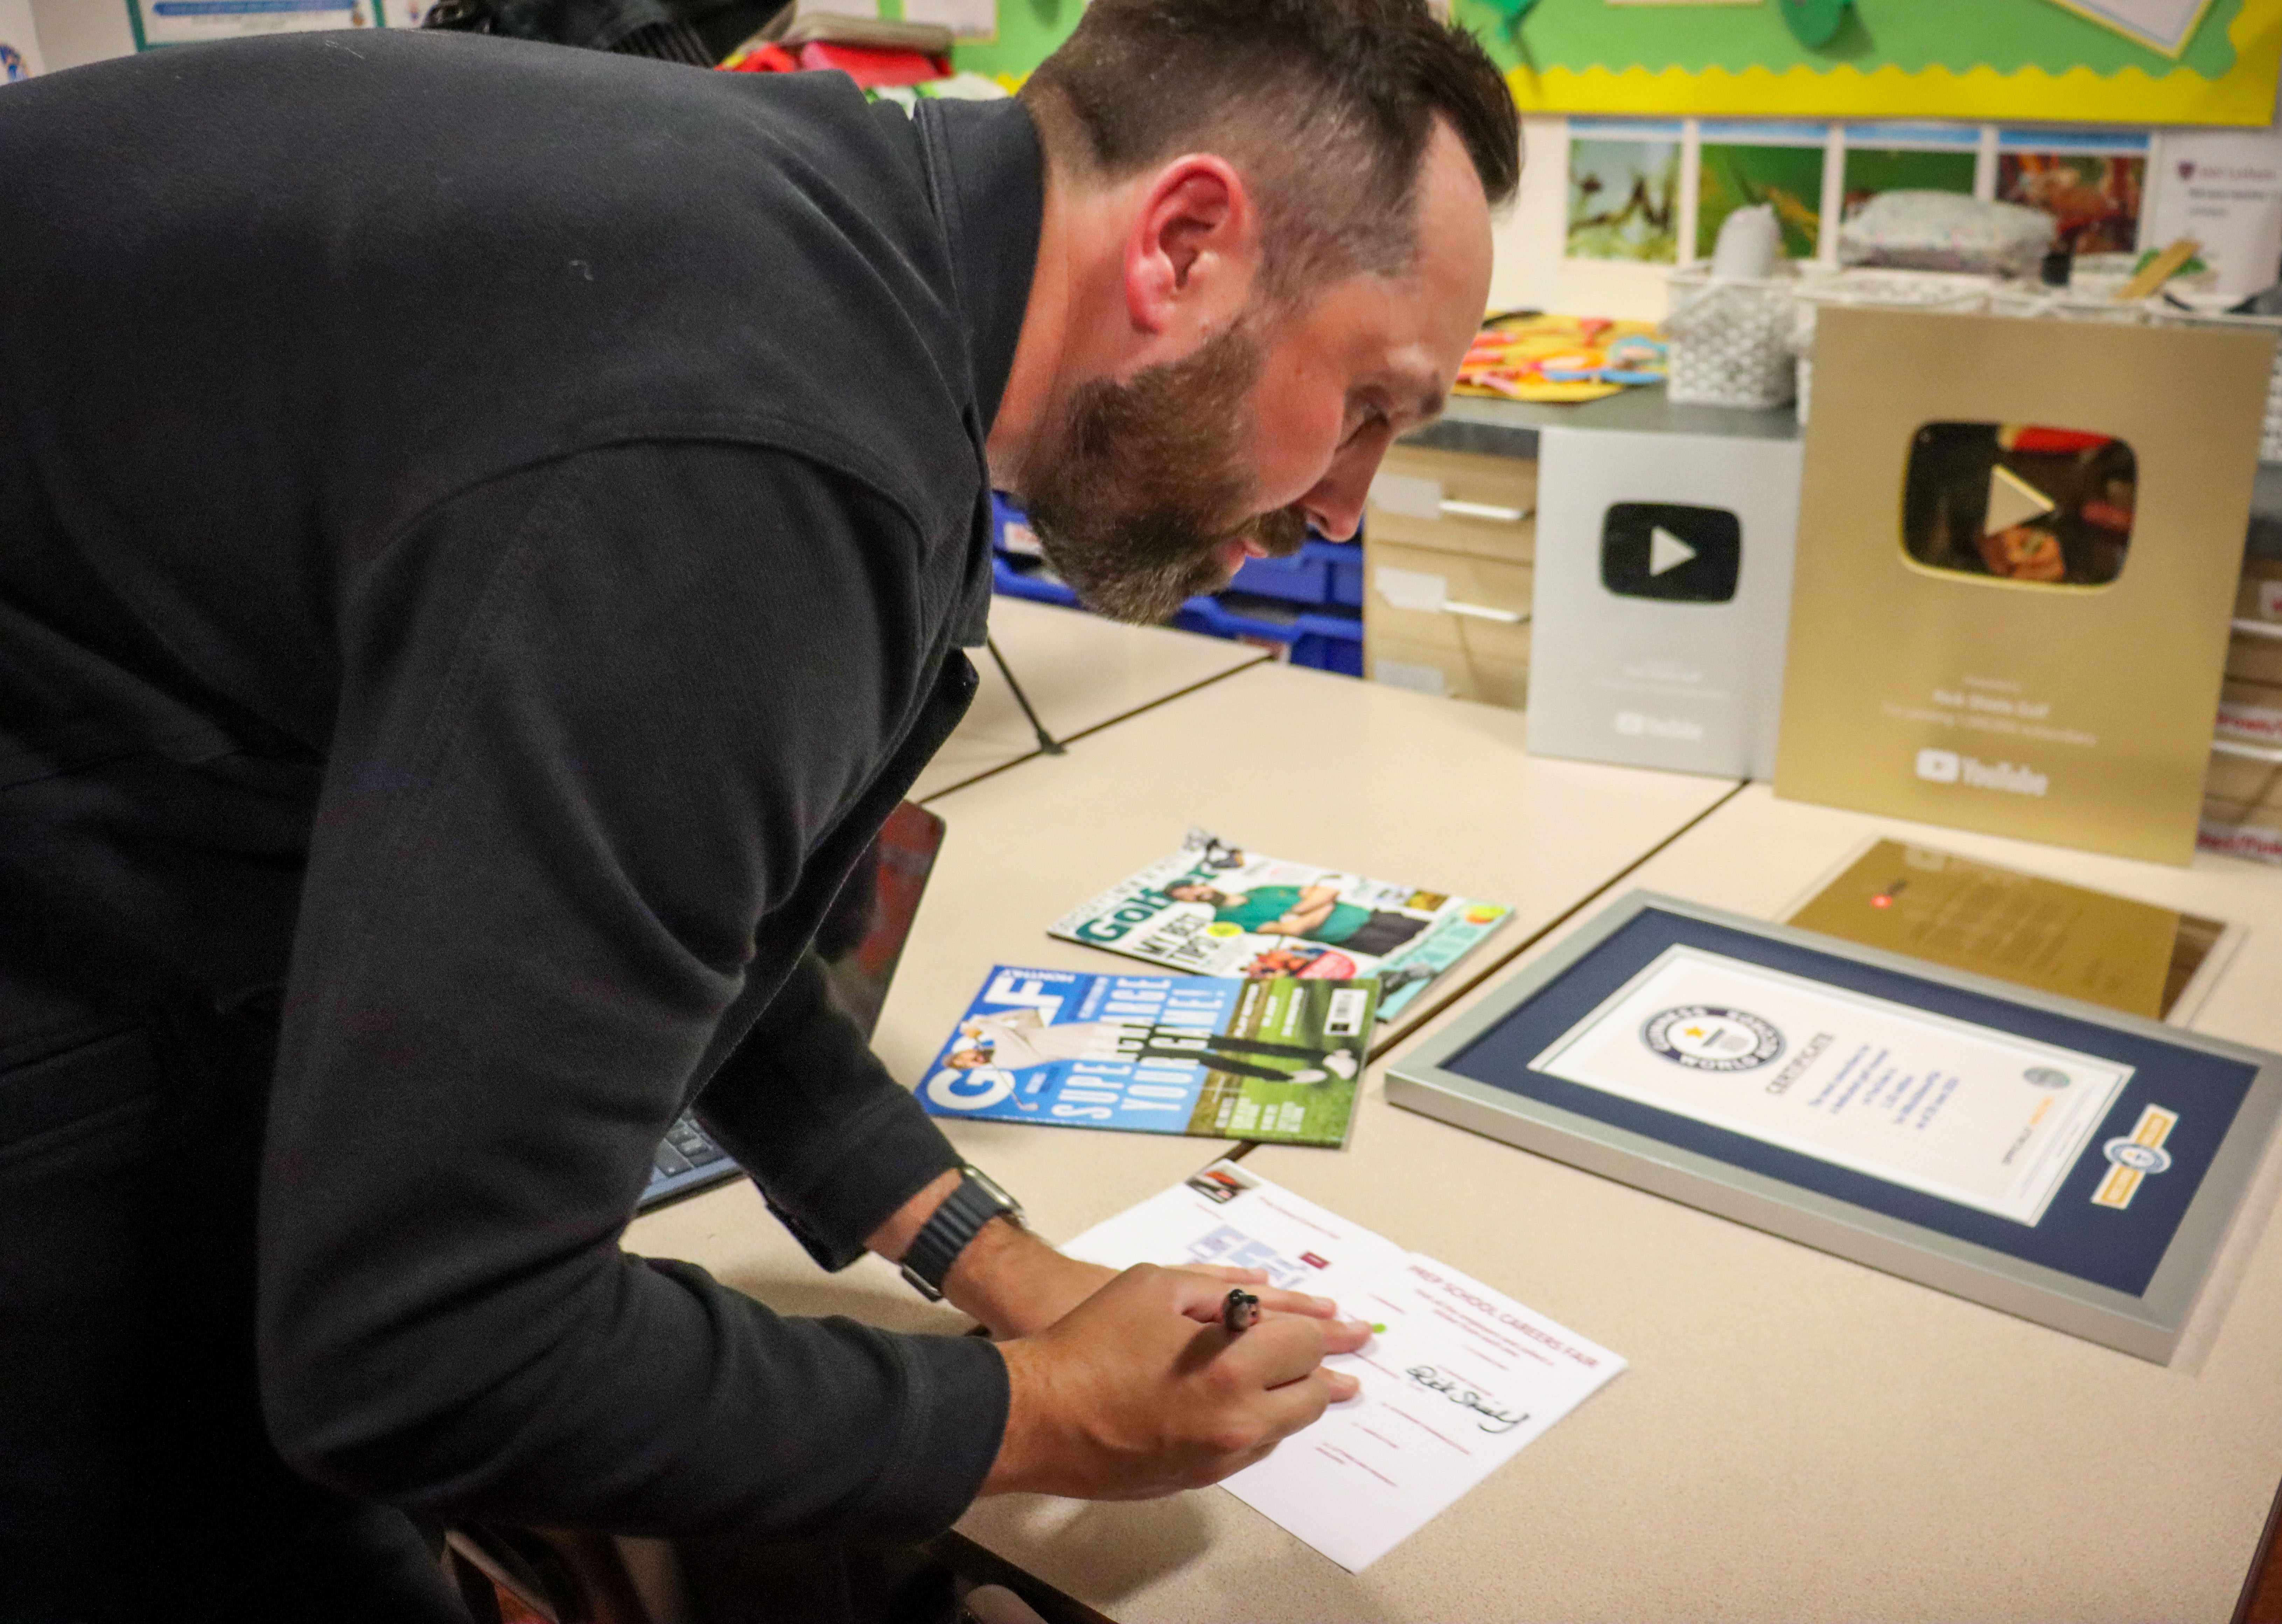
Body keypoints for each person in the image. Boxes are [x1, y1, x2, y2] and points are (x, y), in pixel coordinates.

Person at [0, 0, 1512, 1615]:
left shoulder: (845, 269)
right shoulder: (751, 440)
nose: (1345, 508)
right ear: (1184, 244)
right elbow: (434, 1348)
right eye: (1368, 400)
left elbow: (650, 888)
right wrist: (1044, 1412)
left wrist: (997, 1261)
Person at [946, 1007, 1359, 1086]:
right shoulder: (1009, 1059)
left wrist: (986, 1022)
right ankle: (1284, 1077)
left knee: (1218, 1041)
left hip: (1120, 1029)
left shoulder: (1014, 1039)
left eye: (964, 1053)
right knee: (1205, 1055)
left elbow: (1029, 1015)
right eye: (967, 1062)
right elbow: (1003, 1033)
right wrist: (981, 1025)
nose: (971, 1057)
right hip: (1120, 1047)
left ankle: (1323, 1056)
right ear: (972, 1067)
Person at [1164, 878, 1430, 958]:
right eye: (1185, 897)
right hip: (1354, 938)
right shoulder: (1226, 921)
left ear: (1201, 884)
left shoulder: (1261, 890)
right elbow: (1292, 929)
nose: (1194, 895)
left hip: (1375, 916)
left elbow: (1327, 891)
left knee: (1435, 934)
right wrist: (1322, 907)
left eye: (1191, 889)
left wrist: (1302, 910)